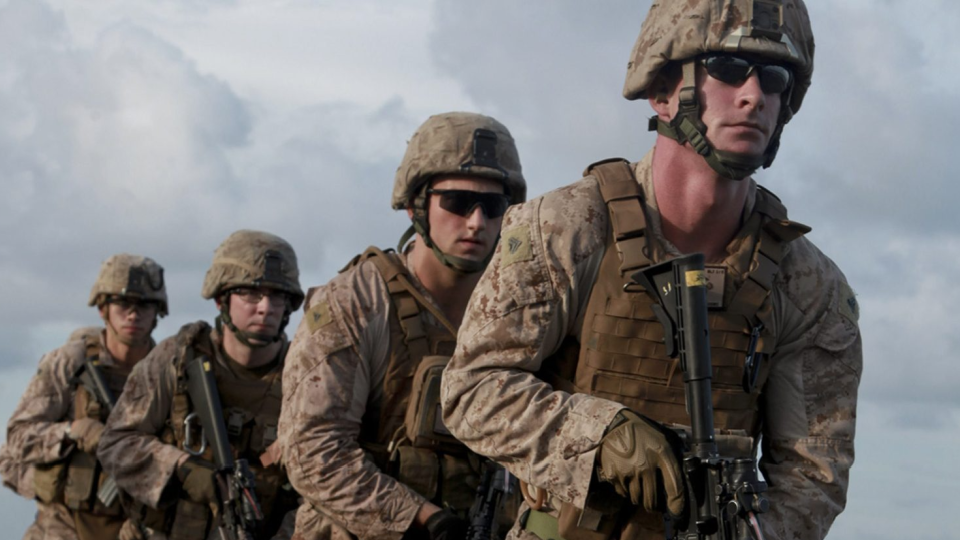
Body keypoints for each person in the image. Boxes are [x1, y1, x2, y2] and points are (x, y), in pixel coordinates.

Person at [440, 2, 862, 539]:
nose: (754, 95)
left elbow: (813, 474)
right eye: (728, 69)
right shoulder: (568, 228)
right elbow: (472, 389)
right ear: (663, 91)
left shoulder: (809, 285)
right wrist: (600, 436)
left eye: (775, 77)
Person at [278, 112, 526, 539]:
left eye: (493, 206)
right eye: (457, 202)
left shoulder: (519, 305)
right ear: (416, 206)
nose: (476, 222)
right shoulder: (355, 301)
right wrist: (422, 519)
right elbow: (311, 451)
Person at [97, 230, 303, 540]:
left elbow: (322, 485)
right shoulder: (177, 359)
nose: (266, 307)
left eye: (278, 296)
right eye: (250, 293)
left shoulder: (305, 377)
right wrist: (179, 467)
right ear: (222, 299)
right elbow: (115, 444)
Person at [3, 254, 168, 540]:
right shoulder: (70, 363)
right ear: (103, 309)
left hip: (137, 528)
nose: (133, 314)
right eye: (123, 304)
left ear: (157, 313)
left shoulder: (168, 373)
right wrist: (72, 431)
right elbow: (18, 437)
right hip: (63, 525)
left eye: (145, 305)